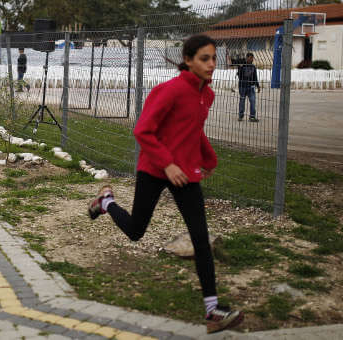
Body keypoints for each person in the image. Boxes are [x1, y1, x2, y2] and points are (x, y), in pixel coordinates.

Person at [87, 35, 244, 334]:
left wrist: (209, 160)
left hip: (185, 174)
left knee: (200, 238)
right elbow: (143, 131)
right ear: (188, 60)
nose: (212, 64)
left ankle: (212, 312)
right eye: (204, 59)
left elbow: (193, 132)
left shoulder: (206, 96)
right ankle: (106, 202)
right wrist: (167, 163)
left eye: (214, 58)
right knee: (136, 231)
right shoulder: (170, 91)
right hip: (155, 168)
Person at [237, 53, 260, 122]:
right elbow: (240, 76)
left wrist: (258, 86)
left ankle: (252, 117)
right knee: (242, 101)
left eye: (252, 58)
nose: (251, 59)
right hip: (242, 87)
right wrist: (240, 68)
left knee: (253, 101)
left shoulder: (253, 67)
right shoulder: (242, 66)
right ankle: (241, 116)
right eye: (250, 58)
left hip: (251, 87)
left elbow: (255, 77)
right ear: (246, 58)